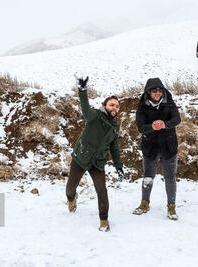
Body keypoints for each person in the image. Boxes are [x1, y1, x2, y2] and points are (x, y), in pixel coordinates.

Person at [66, 74, 125, 232]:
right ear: (105, 105)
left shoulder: (114, 127)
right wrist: (82, 90)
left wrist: (119, 167)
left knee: (102, 191)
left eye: (117, 106)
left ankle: (104, 220)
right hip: (81, 157)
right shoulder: (94, 116)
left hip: (98, 162)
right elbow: (85, 108)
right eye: (112, 105)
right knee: (70, 188)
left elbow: (114, 148)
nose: (115, 108)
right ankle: (71, 199)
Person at [133, 78, 181, 220]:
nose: (158, 93)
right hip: (150, 147)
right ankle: (144, 203)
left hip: (169, 146)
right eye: (155, 90)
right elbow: (141, 127)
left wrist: (164, 124)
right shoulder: (142, 105)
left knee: (170, 177)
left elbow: (177, 119)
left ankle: (171, 207)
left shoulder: (168, 101)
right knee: (148, 177)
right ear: (149, 92)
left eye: (160, 90)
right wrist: (152, 127)